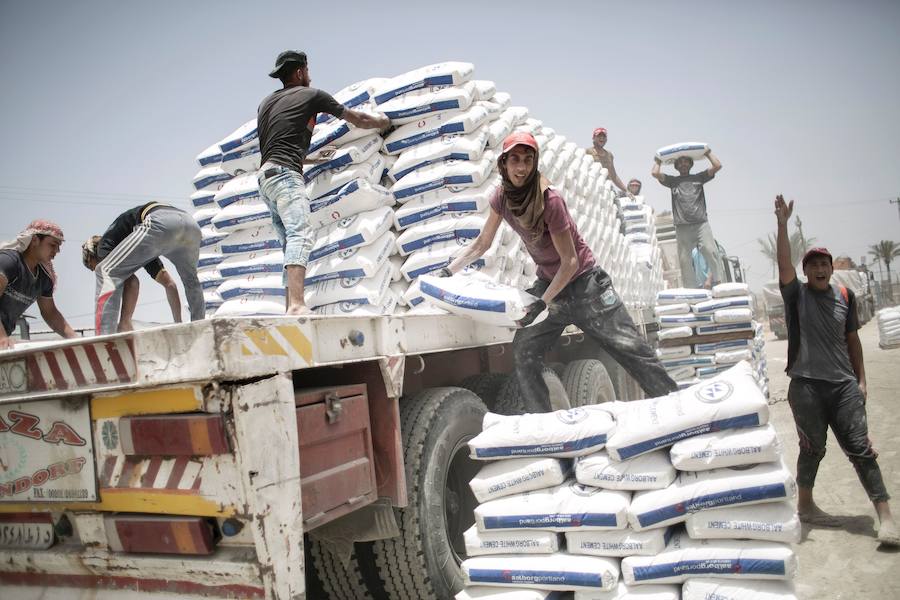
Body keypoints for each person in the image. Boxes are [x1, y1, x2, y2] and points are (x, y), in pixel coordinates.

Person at [443, 132, 677, 410]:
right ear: (503, 164)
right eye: (514, 160)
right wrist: (449, 272)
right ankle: (545, 424)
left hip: (586, 287)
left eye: (528, 160)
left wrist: (542, 303)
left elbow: (570, 262)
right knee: (524, 351)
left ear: (535, 163)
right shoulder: (501, 198)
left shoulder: (549, 200)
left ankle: (676, 406)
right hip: (549, 285)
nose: (521, 168)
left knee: (632, 349)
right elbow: (482, 244)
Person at [775, 195, 898, 546]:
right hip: (806, 387)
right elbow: (784, 266)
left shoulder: (845, 296)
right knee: (811, 448)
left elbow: (854, 342)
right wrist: (782, 225)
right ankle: (806, 507)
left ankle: (885, 517)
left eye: (823, 263)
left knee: (861, 448)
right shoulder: (796, 295)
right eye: (812, 264)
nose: (818, 268)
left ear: (831, 268)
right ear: (805, 271)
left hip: (843, 387)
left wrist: (861, 380)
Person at [257, 50, 390, 315]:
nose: (309, 75)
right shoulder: (312, 95)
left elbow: (277, 146)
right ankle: (296, 305)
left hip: (265, 178)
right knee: (301, 234)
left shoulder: (266, 104)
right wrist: (384, 122)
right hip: (285, 176)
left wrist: (312, 159)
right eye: (307, 70)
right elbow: (358, 119)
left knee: (288, 243)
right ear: (300, 72)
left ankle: (289, 307)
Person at [84, 203, 204, 335]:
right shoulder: (140, 246)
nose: (93, 270)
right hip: (190, 224)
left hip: (159, 222)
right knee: (191, 281)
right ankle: (199, 332)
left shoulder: (104, 247)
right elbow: (170, 285)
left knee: (105, 270)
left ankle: (104, 338)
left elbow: (131, 282)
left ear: (91, 257)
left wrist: (125, 322)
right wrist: (178, 325)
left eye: (91, 267)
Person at [651, 149, 723, 288]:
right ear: (676, 167)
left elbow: (717, 166)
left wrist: (707, 153)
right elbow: (655, 173)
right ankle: (691, 288)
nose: (683, 165)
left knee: (710, 250)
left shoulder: (699, 177)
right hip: (682, 226)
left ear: (691, 165)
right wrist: (659, 160)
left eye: (686, 162)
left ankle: (719, 281)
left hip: (701, 223)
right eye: (680, 163)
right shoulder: (672, 181)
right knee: (684, 259)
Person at [0, 220, 77, 348]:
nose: (57, 251)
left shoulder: (44, 279)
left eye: (59, 246)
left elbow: (50, 313)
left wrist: (75, 339)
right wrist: (2, 337)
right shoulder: (9, 262)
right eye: (53, 245)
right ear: (35, 240)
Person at [586, 127, 633, 199]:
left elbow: (613, 176)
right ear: (594, 138)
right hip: (593, 186)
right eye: (599, 136)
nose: (602, 138)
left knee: (616, 206)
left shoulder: (609, 155)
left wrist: (626, 191)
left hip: (606, 187)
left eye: (604, 136)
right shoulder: (588, 152)